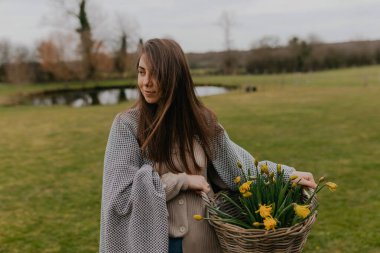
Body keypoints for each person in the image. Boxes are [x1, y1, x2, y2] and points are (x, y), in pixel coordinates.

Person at [99, 38, 317, 253]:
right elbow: (121, 195)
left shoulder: (201, 122)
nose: (146, 82)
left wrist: (286, 175)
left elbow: (240, 169)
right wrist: (181, 181)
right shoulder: (126, 125)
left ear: (175, 77)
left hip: (206, 242)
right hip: (160, 243)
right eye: (141, 72)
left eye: (155, 74)